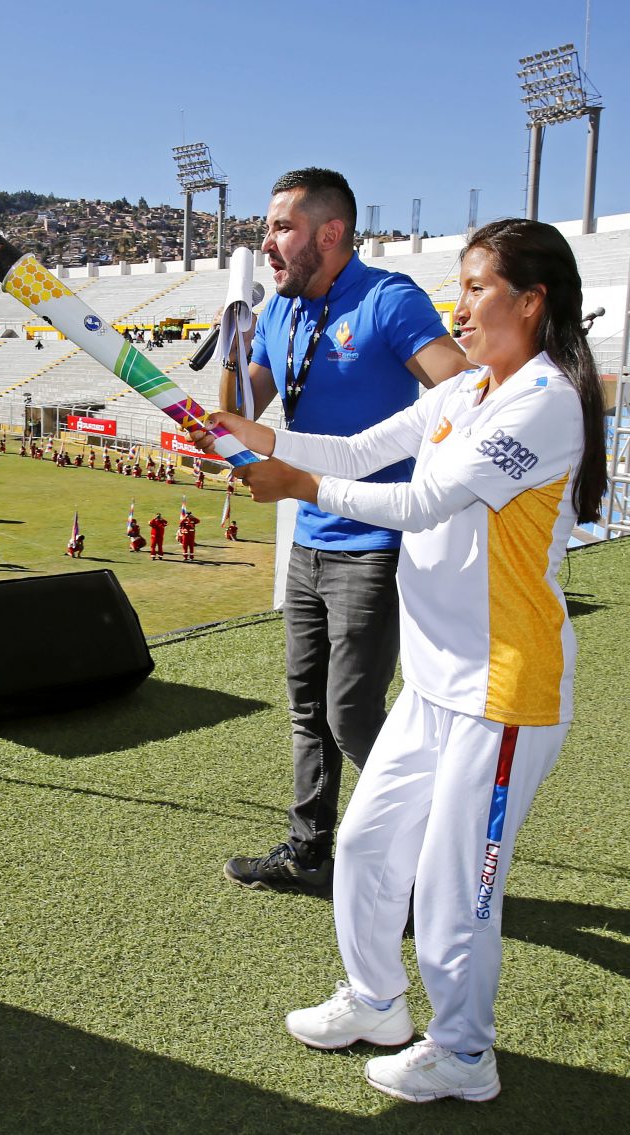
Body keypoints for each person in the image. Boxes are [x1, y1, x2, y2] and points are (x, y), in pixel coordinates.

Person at [192, 218, 607, 1105]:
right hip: (432, 677)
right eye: (458, 286)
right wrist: (261, 440)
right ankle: (377, 1002)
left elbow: (421, 501)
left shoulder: (543, 401)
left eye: (477, 288)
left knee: (458, 892)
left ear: (531, 301)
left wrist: (298, 487)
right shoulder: (466, 392)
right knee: (368, 843)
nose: (458, 307)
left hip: (505, 686)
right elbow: (359, 451)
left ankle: (464, 1052)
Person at [217, 168, 468, 895]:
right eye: (267, 228)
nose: (267, 243)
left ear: (329, 234)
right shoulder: (280, 312)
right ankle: (309, 848)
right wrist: (233, 343)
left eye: (282, 228)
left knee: (351, 710)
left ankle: (428, 868)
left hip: (377, 543)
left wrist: (434, 492)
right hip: (310, 538)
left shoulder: (390, 301)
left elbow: (461, 390)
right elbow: (241, 417)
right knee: (306, 705)